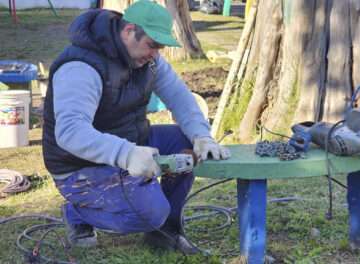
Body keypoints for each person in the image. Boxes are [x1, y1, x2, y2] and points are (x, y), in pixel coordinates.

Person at [42, 0, 230, 254]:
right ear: (129, 31)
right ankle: (78, 213)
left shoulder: (148, 60)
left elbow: (180, 97)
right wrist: (127, 153)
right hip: (78, 165)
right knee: (149, 213)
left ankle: (165, 229)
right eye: (152, 45)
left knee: (185, 143)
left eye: (159, 47)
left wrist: (201, 135)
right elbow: (70, 132)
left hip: (126, 142)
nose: (155, 53)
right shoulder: (81, 66)